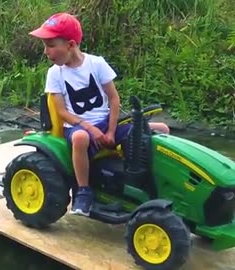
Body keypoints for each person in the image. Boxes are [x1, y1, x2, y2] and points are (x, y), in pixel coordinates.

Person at [29, 12, 170, 216]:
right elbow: (61, 112)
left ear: (70, 45)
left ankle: (142, 184)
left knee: (157, 130)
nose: (45, 51)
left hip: (106, 124)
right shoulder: (55, 73)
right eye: (45, 45)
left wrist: (111, 131)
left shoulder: (96, 64)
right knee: (80, 137)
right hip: (77, 127)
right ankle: (84, 192)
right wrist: (90, 128)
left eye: (50, 45)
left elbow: (113, 99)